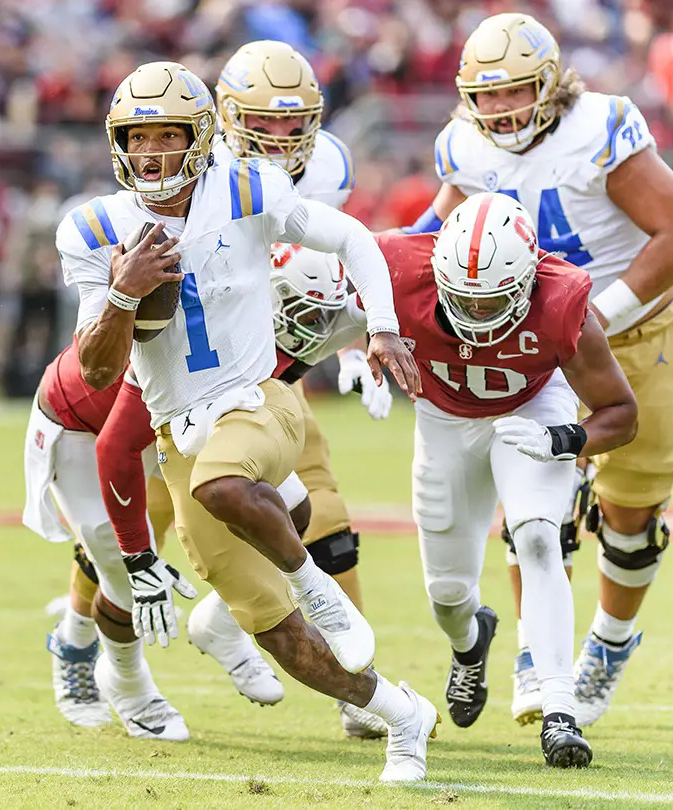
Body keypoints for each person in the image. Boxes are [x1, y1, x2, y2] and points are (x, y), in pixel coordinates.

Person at [59, 60, 436, 782]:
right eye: (137, 139)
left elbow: (355, 239)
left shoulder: (249, 186)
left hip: (260, 400)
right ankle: (400, 713)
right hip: (179, 432)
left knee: (223, 485)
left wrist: (380, 329)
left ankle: (323, 593)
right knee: (281, 639)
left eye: (168, 136)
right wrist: (122, 296)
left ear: (202, 138)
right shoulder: (94, 227)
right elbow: (101, 370)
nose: (151, 154)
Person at [407, 12, 673, 727]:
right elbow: (430, 234)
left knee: (629, 513)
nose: (501, 109)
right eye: (487, 95)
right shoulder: (464, 148)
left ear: (550, 85)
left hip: (640, 332)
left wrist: (598, 311)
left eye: (515, 92)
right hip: (538, 343)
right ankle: (538, 659)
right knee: (531, 500)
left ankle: (607, 642)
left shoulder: (599, 129)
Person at [364, 193, 637, 766]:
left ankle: (559, 709)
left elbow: (621, 413)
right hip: (442, 420)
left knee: (538, 537)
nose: (477, 314)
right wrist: (354, 347)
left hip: (532, 409)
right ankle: (470, 641)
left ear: (528, 280)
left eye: (492, 302)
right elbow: (333, 295)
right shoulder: (394, 266)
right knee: (445, 594)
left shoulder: (562, 301)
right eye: (463, 298)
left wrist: (564, 440)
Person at [23, 340, 188, 740]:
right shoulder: (129, 285)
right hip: (77, 418)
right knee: (119, 554)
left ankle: (228, 634)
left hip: (155, 414)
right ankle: (121, 680)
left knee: (158, 523)